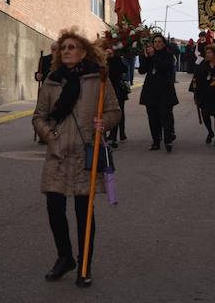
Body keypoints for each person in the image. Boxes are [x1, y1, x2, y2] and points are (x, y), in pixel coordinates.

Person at [32, 31, 120, 287]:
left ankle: (84, 265)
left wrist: (106, 123)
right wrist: (50, 136)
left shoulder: (98, 79)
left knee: (84, 213)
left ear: (84, 52)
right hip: (58, 154)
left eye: (72, 47)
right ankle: (64, 257)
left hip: (85, 154)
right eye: (63, 48)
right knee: (54, 209)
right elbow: (39, 116)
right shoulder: (52, 81)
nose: (66, 51)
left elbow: (114, 110)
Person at [138, 34, 179, 152]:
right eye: (155, 42)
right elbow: (141, 71)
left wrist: (153, 55)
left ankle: (168, 140)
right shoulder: (150, 55)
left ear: (164, 43)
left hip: (165, 90)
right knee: (152, 117)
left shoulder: (168, 55)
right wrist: (145, 58)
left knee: (165, 116)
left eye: (159, 42)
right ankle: (156, 141)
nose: (157, 44)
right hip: (151, 90)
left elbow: (164, 67)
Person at [104, 45, 129, 147]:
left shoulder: (117, 60)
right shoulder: (101, 61)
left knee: (118, 112)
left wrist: (114, 58)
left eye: (110, 52)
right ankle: (109, 136)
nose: (108, 53)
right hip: (105, 90)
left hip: (117, 89)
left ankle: (116, 135)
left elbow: (124, 70)